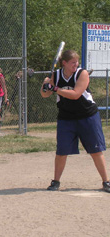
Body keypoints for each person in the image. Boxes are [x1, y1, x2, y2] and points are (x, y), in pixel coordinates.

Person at [40, 49, 110, 193]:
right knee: (61, 152)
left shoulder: (82, 73)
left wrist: (54, 88)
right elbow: (44, 94)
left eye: (76, 62)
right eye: (72, 62)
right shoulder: (57, 75)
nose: (76, 64)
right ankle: (56, 181)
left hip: (88, 116)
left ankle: (106, 181)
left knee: (96, 150)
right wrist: (46, 85)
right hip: (66, 118)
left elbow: (76, 94)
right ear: (64, 63)